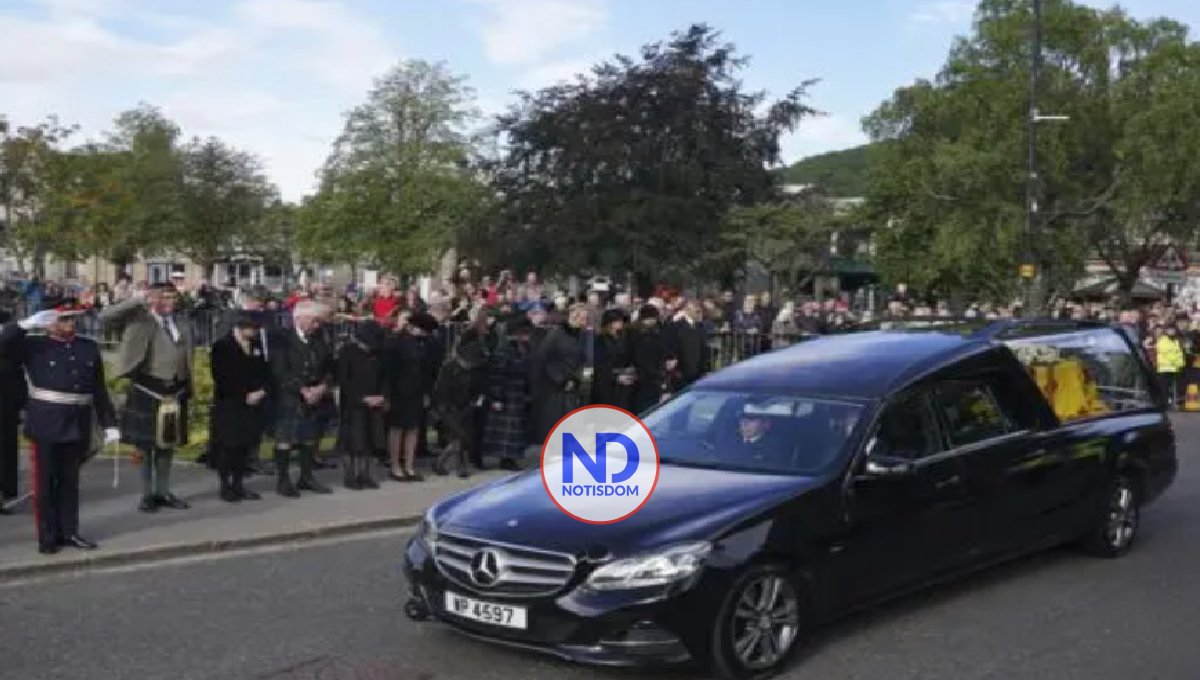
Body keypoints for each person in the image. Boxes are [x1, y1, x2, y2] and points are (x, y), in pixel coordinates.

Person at [0, 302, 118, 552]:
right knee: (45, 484)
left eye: (72, 319)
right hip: (47, 420)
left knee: (70, 482)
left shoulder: (87, 347)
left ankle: (69, 532)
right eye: (63, 319)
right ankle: (47, 536)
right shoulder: (33, 345)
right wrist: (24, 324)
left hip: (78, 420)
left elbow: (98, 388)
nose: (69, 324)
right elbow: (4, 343)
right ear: (49, 321)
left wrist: (109, 423)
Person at [100, 283, 194, 514]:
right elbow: (106, 316)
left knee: (167, 444)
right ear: (153, 298)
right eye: (163, 298)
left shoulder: (181, 322)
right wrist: (139, 299)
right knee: (145, 445)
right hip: (147, 388)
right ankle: (147, 494)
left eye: (172, 298)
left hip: (176, 389)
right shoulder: (140, 319)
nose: (168, 303)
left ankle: (163, 491)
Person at [269, 300, 335, 497]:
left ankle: (306, 477)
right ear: (299, 318)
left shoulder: (319, 338)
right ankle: (283, 480)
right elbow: (280, 370)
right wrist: (303, 390)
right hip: (289, 396)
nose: (318, 325)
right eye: (314, 321)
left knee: (309, 438)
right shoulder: (282, 339)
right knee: (285, 439)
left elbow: (329, 366)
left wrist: (322, 387)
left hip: (315, 395)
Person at [209, 311, 271, 503]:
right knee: (229, 447)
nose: (254, 332)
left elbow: (265, 371)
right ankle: (225, 485)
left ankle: (239, 483)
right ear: (239, 327)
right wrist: (243, 394)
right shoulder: (222, 346)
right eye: (250, 328)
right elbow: (221, 377)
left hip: (253, 403)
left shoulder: (255, 346)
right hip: (230, 403)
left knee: (245, 446)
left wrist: (262, 390)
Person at [384, 311, 439, 480]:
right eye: (422, 330)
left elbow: (430, 370)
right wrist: (386, 394)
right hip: (398, 391)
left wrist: (428, 393)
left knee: (414, 428)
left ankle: (409, 465)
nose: (424, 334)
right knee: (397, 428)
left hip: (418, 390)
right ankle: (395, 465)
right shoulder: (395, 341)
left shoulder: (426, 343)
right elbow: (387, 370)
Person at [431, 328, 490, 478]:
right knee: (461, 436)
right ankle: (446, 462)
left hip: (467, 406)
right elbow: (441, 389)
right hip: (449, 408)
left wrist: (478, 399)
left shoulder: (472, 370)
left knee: (464, 438)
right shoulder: (448, 367)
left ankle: (448, 463)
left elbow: (477, 387)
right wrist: (444, 408)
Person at [337, 320, 389, 490]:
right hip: (353, 404)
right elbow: (344, 380)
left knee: (369, 440)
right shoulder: (347, 352)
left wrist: (382, 396)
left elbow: (383, 376)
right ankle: (349, 475)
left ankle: (364, 474)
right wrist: (361, 398)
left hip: (374, 401)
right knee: (352, 442)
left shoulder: (377, 353)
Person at [527, 303, 588, 446]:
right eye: (582, 318)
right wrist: (561, 378)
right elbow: (543, 358)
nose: (584, 321)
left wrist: (577, 377)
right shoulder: (556, 334)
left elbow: (583, 358)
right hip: (555, 386)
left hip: (574, 382)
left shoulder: (582, 335)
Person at [483, 317, 534, 470]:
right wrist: (496, 397)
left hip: (518, 392)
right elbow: (496, 374)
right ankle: (506, 457)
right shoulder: (504, 350)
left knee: (515, 427)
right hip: (507, 392)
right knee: (508, 428)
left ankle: (512, 456)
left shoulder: (522, 348)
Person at [0, 307, 25, 512]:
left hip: (8, 402)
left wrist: (22, 402)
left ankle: (5, 492)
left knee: (7, 449)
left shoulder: (11, 335)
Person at [591, 308, 635, 411]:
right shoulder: (600, 340)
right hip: (607, 383)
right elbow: (600, 364)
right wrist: (616, 376)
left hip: (625, 381)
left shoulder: (624, 337)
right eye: (617, 320)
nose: (620, 323)